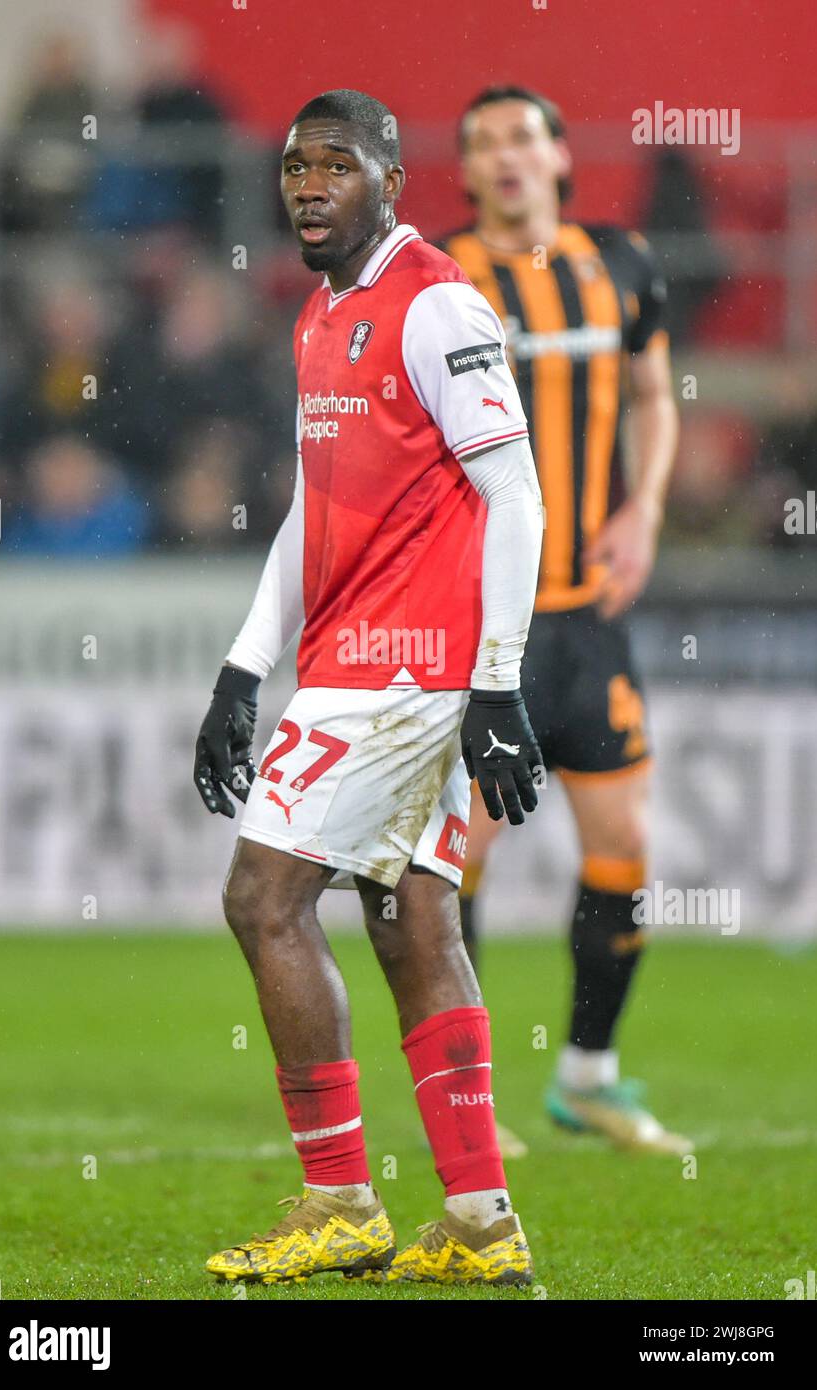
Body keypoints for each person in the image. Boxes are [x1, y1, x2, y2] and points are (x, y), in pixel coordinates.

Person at [193, 88, 545, 1285]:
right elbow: (314, 509)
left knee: (263, 900)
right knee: (411, 917)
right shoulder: (319, 314)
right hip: (353, 660)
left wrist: (496, 681)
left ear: (389, 175)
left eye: (334, 163)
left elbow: (516, 494)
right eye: (293, 164)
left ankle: (340, 1198)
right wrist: (245, 667)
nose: (305, 183)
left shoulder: (437, 301)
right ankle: (481, 1218)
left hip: (406, 669)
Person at [441, 87, 689, 1155]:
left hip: (591, 619)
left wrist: (644, 507)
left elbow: (653, 393)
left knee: (623, 841)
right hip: (485, 622)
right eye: (482, 144)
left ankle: (587, 1075)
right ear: (464, 173)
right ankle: (461, 1095)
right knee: (463, 850)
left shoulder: (620, 259)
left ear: (557, 153)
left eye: (521, 136)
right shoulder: (441, 281)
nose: (504, 157)